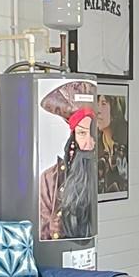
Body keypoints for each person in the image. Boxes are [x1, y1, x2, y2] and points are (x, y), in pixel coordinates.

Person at [38, 82, 98, 241]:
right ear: (72, 138)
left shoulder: (102, 172)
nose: (89, 143)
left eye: (92, 133)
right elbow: (42, 232)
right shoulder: (49, 179)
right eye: (82, 133)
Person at [95, 92, 129, 197]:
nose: (97, 110)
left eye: (103, 103)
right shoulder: (95, 144)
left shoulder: (127, 141)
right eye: (96, 103)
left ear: (115, 108)